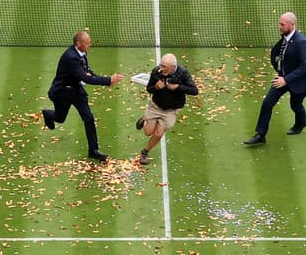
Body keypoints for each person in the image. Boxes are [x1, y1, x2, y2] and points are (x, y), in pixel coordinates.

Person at [42, 31, 124, 161]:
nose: (89, 45)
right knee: (60, 118)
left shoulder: (82, 52)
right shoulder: (71, 58)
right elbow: (85, 77)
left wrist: (107, 81)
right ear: (78, 44)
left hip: (76, 91)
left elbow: (87, 71)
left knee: (89, 118)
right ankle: (48, 114)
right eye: (87, 43)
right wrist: (108, 80)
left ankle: (93, 150)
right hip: (62, 92)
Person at [243, 12, 306, 146]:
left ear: (292, 25)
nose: (279, 27)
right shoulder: (285, 39)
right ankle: (260, 135)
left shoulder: (301, 42)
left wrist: (286, 80)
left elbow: (305, 67)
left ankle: (302, 122)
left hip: (299, 82)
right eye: (279, 24)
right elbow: (277, 55)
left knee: (295, 105)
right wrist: (280, 72)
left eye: (282, 24)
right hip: (283, 78)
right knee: (268, 102)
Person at [135, 53, 198, 165]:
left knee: (158, 134)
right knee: (148, 132)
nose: (161, 68)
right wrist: (156, 87)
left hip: (171, 110)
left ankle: (145, 152)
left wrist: (178, 87)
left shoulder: (183, 73)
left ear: (173, 67)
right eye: (161, 65)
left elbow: (194, 90)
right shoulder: (156, 71)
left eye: (165, 67)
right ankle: (145, 119)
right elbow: (149, 89)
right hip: (155, 106)